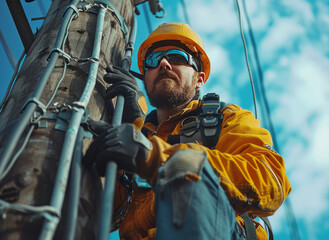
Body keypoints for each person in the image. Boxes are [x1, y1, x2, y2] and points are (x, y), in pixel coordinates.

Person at [85, 22, 291, 240]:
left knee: (189, 164)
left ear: (199, 79)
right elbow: (99, 214)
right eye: (152, 61)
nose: (163, 63)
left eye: (177, 57)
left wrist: (150, 154)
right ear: (144, 79)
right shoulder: (137, 135)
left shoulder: (225, 118)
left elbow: (271, 180)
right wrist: (136, 124)